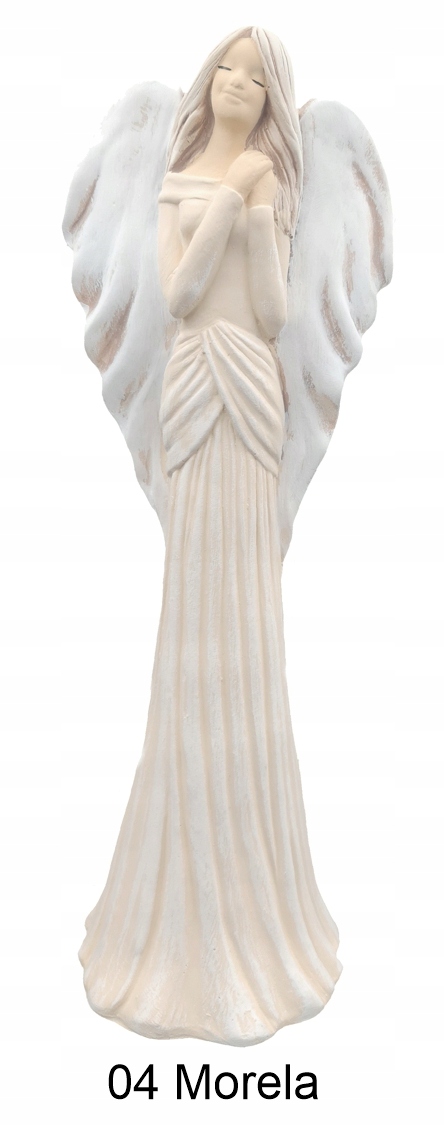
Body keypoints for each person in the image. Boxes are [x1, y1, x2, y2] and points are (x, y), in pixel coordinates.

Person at [78, 27, 342, 1046]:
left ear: (272, 98)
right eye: (225, 69)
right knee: (191, 626)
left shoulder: (272, 181)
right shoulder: (181, 174)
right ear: (208, 83)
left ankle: (258, 908)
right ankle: (172, 918)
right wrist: (232, 200)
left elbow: (271, 314)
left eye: (254, 76)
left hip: (252, 399)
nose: (235, 84)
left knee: (250, 631)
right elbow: (180, 292)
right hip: (193, 395)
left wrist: (263, 213)